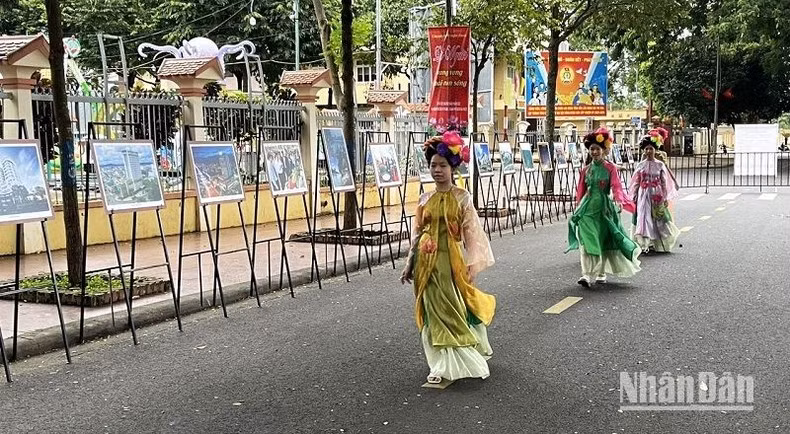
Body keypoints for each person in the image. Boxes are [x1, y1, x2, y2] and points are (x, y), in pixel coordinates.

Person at [400, 130, 496, 385]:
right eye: (433, 165)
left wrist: (473, 265)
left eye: (442, 165)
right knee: (433, 310)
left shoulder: (462, 198)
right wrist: (409, 263)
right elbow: (417, 234)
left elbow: (472, 234)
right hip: (426, 264)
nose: (437, 170)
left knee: (453, 308)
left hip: (451, 262)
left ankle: (461, 357)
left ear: (453, 167)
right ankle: (440, 363)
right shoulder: (424, 198)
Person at [567, 128, 641, 287]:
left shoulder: (610, 168)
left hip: (604, 209)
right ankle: (586, 274)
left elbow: (617, 187)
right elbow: (580, 191)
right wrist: (578, 207)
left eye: (597, 149)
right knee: (587, 239)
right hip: (587, 208)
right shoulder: (585, 170)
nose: (594, 152)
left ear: (604, 150)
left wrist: (619, 200)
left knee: (602, 240)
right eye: (591, 149)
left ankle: (600, 273)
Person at [630, 133, 680, 253]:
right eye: (646, 149)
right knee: (644, 217)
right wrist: (634, 195)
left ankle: (659, 243)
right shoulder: (641, 165)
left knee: (658, 217)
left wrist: (665, 196)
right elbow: (636, 181)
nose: (648, 151)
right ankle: (645, 243)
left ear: (655, 149)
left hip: (657, 194)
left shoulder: (660, 165)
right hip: (643, 195)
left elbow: (664, 182)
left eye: (651, 148)